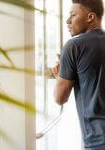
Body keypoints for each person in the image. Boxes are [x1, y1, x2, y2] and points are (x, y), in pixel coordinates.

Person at [52, 0, 105, 149]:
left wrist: (59, 77)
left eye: (73, 15)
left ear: (90, 17)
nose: (68, 21)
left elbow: (59, 98)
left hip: (97, 142)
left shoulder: (73, 46)